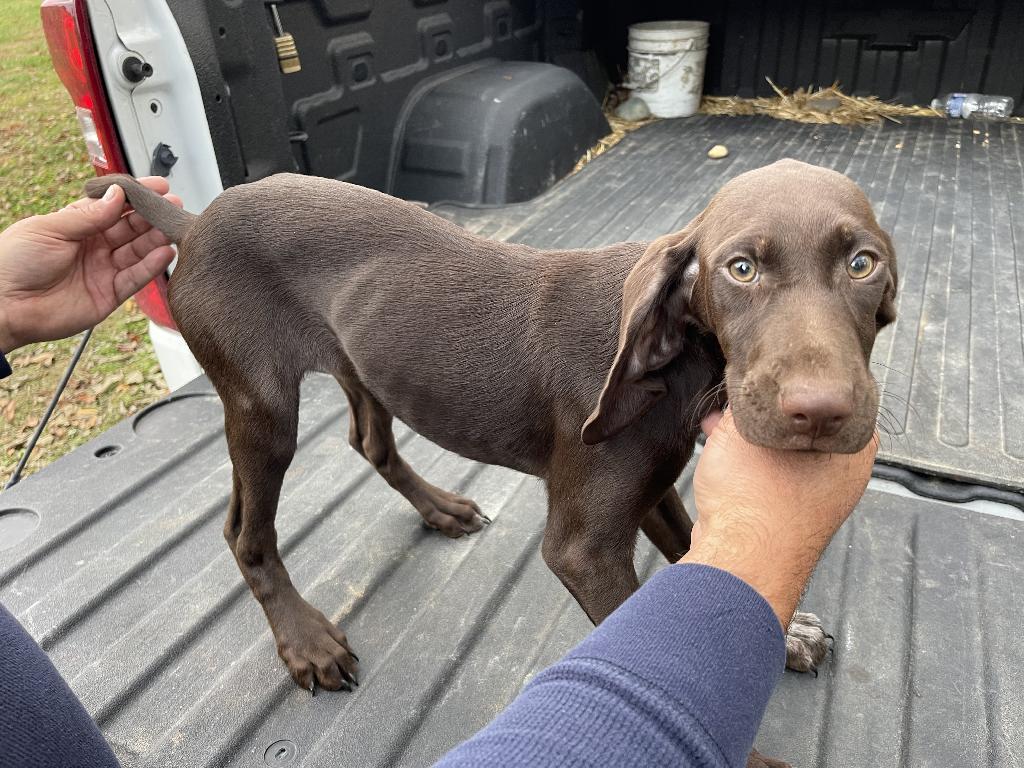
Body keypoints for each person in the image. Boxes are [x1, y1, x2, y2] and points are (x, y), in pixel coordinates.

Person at [0, 183, 876, 768]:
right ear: (684, 291)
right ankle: (261, 567)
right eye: (748, 268)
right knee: (264, 431)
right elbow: (578, 549)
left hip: (348, 288)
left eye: (860, 264)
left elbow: (645, 490)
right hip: (251, 271)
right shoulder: (626, 351)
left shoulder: (683, 332)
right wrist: (706, 707)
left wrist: (731, 592)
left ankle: (387, 462)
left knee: (635, 475)